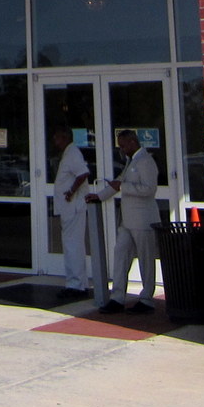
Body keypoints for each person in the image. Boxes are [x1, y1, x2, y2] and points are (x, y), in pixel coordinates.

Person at [87, 128, 160, 314]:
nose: (121, 149)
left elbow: (149, 189)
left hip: (143, 220)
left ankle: (146, 299)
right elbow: (117, 182)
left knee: (146, 260)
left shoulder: (146, 161)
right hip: (127, 221)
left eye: (123, 145)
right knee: (120, 255)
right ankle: (117, 297)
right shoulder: (130, 161)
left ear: (133, 142)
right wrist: (99, 196)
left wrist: (123, 186)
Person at [51, 125, 91, 299]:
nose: (55, 142)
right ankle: (77, 283)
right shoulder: (68, 153)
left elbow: (82, 174)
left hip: (73, 207)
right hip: (68, 209)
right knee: (71, 245)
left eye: (57, 138)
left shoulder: (73, 153)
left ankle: (76, 285)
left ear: (65, 137)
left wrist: (71, 191)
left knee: (73, 246)